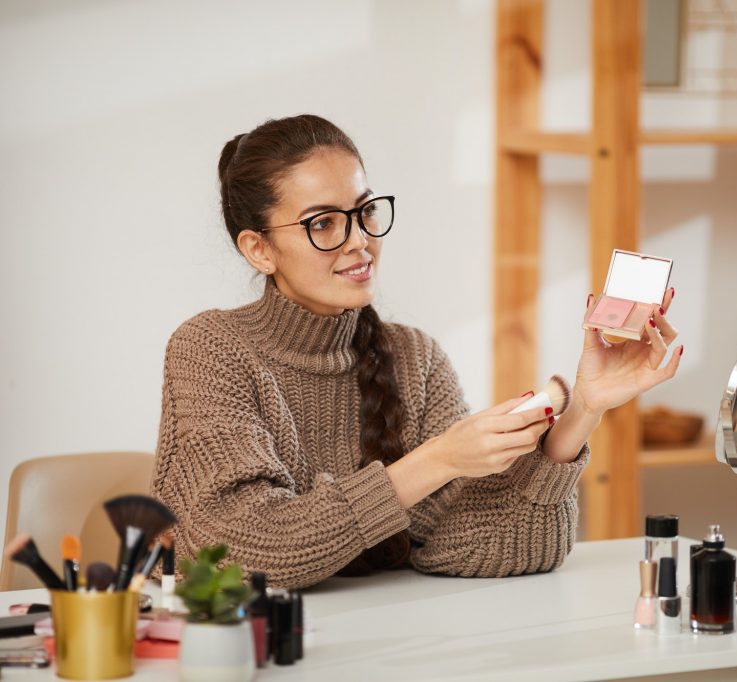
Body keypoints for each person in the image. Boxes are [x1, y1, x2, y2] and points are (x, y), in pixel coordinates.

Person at [150, 114, 683, 588]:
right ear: (259, 249)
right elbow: (237, 555)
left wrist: (583, 412)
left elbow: (485, 548)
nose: (360, 241)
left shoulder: (414, 356)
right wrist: (437, 460)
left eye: (364, 212)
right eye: (323, 223)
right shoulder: (210, 350)